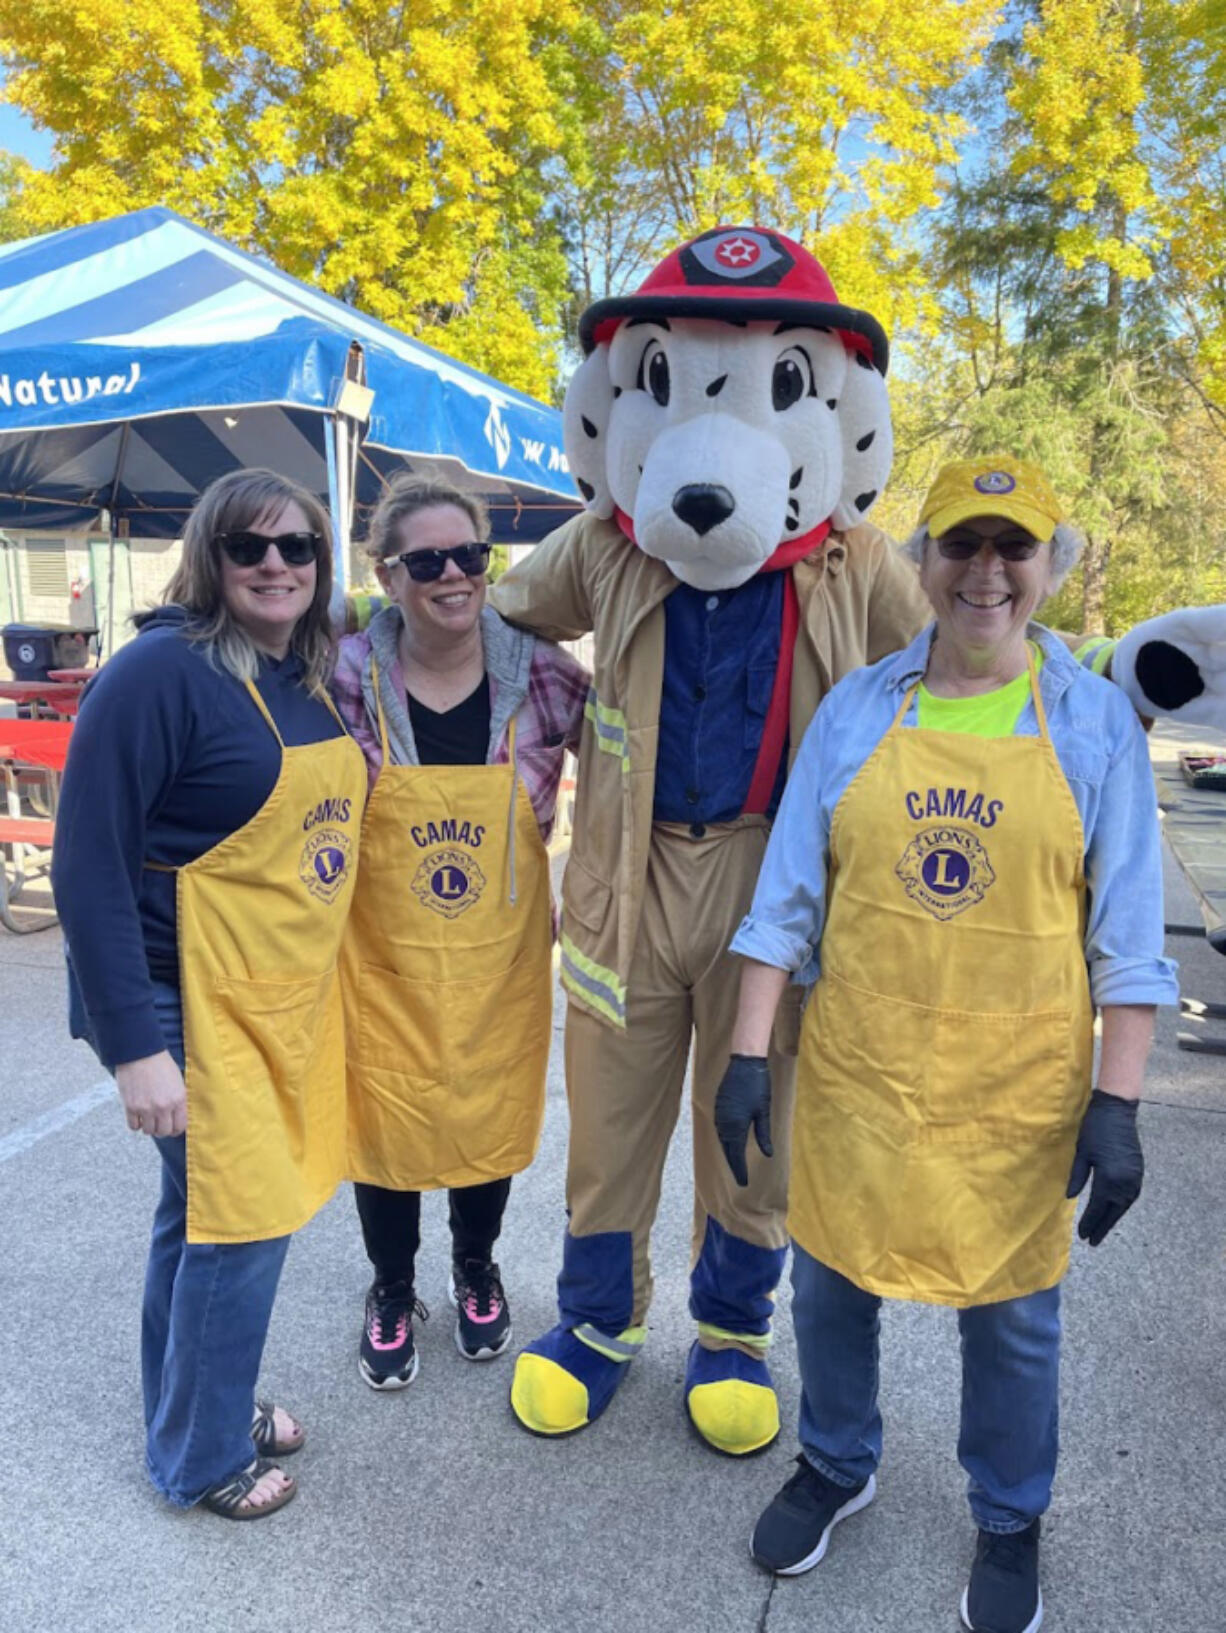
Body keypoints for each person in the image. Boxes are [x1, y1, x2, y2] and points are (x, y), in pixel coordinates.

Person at [715, 454, 1178, 1633]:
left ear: (1045, 568)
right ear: (921, 566)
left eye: (1010, 548)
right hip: (861, 1069)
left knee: (1011, 1312)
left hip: (1011, 1088)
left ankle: (1010, 1513)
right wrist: (747, 1052)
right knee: (827, 1277)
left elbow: (1127, 941)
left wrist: (1114, 1103)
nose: (984, 573)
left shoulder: (1089, 727)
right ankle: (835, 1458)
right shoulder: (859, 710)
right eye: (959, 546)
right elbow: (783, 902)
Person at [52, 470, 366, 1519]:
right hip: (177, 1002)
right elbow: (88, 863)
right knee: (242, 1222)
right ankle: (201, 1457)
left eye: (298, 548)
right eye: (248, 547)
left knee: (199, 1218)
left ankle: (197, 1407)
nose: (275, 564)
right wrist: (136, 1046)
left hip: (266, 999)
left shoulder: (300, 670)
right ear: (209, 557)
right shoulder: (156, 674)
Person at [332, 474, 587, 1388]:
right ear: (389, 575)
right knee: (388, 1118)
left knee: (482, 1112)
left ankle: (475, 1265)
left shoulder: (546, 674)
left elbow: (632, 762)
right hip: (382, 955)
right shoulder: (346, 676)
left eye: (469, 555)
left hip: (501, 953)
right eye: (427, 559)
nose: (453, 574)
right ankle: (391, 1285)